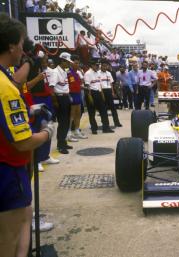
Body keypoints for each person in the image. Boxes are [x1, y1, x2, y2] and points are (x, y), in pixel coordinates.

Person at [0, 13, 54, 257]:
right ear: (11, 45)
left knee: (24, 218)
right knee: (11, 237)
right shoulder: (5, 86)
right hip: (8, 169)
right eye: (21, 42)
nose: (23, 48)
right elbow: (23, 142)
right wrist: (46, 133)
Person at [30, 53, 59, 171]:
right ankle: (36, 160)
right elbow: (26, 88)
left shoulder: (48, 71)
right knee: (37, 129)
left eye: (47, 59)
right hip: (36, 99)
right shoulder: (32, 71)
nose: (46, 61)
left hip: (47, 100)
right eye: (44, 59)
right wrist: (37, 78)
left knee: (49, 127)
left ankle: (45, 156)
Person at [50, 52, 73, 154]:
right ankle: (60, 145)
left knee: (66, 121)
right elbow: (51, 88)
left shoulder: (64, 71)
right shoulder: (55, 72)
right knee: (62, 122)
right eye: (67, 62)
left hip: (65, 98)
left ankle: (63, 142)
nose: (69, 64)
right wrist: (55, 102)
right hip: (59, 99)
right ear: (62, 61)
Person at [84, 60, 114, 134]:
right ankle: (94, 128)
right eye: (96, 65)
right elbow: (87, 87)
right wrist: (90, 97)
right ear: (92, 65)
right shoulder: (87, 73)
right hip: (91, 93)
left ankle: (106, 127)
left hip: (99, 93)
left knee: (104, 111)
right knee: (91, 113)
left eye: (98, 65)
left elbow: (100, 84)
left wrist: (102, 95)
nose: (97, 67)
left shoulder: (97, 73)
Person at [67, 55, 88, 141]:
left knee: (78, 114)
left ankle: (76, 130)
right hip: (71, 95)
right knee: (71, 115)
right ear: (71, 63)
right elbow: (67, 86)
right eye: (76, 63)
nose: (77, 65)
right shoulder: (68, 73)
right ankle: (68, 133)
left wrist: (85, 88)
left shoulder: (77, 74)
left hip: (78, 95)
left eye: (78, 63)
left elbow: (78, 85)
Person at [100, 60, 122, 127]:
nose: (105, 67)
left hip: (109, 91)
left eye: (106, 66)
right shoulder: (98, 73)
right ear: (101, 66)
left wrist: (112, 92)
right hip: (102, 91)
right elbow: (99, 84)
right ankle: (105, 123)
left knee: (113, 108)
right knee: (104, 109)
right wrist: (102, 93)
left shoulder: (109, 73)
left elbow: (111, 83)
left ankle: (117, 123)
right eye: (103, 66)